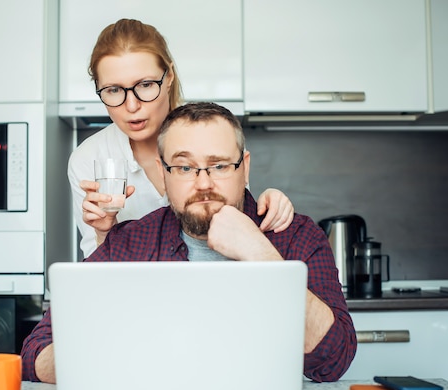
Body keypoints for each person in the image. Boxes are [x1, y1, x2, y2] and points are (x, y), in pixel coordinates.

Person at [23, 102, 357, 383]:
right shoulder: (127, 244)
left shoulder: (295, 237)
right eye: (184, 167)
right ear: (163, 173)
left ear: (245, 167)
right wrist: (126, 346)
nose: (203, 183)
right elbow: (35, 355)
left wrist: (261, 253)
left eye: (220, 165)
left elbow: (334, 359)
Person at [67, 18, 294, 257]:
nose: (131, 106)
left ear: (169, 77)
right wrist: (105, 232)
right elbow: (98, 275)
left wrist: (266, 203)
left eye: (145, 85)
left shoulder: (213, 134)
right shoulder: (88, 159)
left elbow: (235, 222)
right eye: (113, 90)